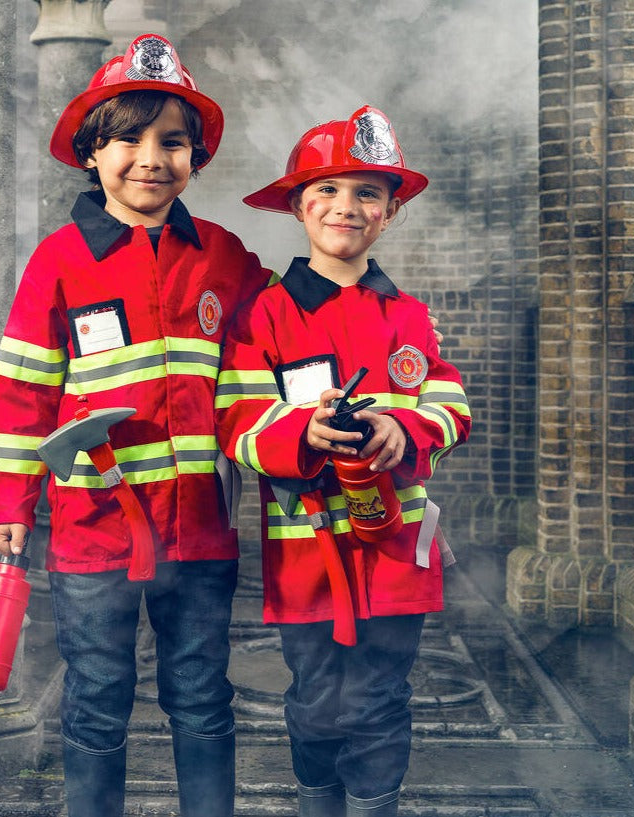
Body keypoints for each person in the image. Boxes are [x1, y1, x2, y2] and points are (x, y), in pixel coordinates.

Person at [0, 33, 271, 817]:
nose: (151, 157)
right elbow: (20, 394)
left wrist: (362, 324)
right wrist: (8, 505)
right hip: (93, 526)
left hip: (200, 526)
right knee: (100, 693)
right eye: (128, 138)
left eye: (172, 141)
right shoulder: (59, 262)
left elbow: (285, 331)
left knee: (203, 691)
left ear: (195, 156)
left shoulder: (224, 257)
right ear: (91, 153)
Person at [214, 105, 471, 817]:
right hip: (306, 554)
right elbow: (236, 421)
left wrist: (404, 425)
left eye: (366, 193)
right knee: (317, 696)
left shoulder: (409, 317)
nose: (345, 206)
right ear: (297, 206)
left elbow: (451, 405)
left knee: (381, 695)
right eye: (326, 190)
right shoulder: (261, 316)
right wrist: (303, 433)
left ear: (388, 214)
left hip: (396, 550)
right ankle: (317, 802)